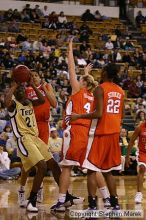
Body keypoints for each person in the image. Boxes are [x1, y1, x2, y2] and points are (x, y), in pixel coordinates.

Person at [51, 38, 110, 211]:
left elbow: (70, 67)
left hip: (74, 131)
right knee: (92, 168)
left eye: (81, 78)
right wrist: (86, 73)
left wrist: (70, 49)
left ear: (83, 82)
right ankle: (107, 198)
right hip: (88, 134)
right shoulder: (94, 96)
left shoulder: (77, 90)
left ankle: (61, 201)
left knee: (67, 167)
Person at [18, 72, 82, 207]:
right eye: (32, 75)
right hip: (30, 127)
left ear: (40, 78)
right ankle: (22, 190)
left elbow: (53, 103)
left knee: (44, 161)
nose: (34, 77)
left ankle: (49, 192)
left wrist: (45, 89)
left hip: (43, 126)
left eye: (36, 75)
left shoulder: (46, 86)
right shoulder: (26, 89)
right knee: (27, 163)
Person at [68, 63, 125, 210]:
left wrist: (78, 116)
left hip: (100, 133)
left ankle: (92, 205)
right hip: (114, 133)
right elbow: (121, 116)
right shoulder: (121, 91)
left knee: (91, 170)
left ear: (105, 72)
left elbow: (98, 114)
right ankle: (115, 204)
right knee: (108, 172)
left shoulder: (100, 88)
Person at [4, 80, 51, 212]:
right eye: (17, 90)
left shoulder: (29, 102)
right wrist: (13, 85)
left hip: (34, 137)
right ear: (15, 94)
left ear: (25, 92)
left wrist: (33, 85)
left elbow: (42, 100)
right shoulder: (14, 104)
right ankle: (26, 192)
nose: (20, 90)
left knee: (31, 166)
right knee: (31, 166)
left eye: (21, 89)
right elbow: (6, 102)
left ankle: (28, 191)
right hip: (24, 139)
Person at [126, 121, 146, 204]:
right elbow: (131, 142)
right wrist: (127, 156)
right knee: (141, 168)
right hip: (142, 152)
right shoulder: (140, 127)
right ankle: (139, 193)